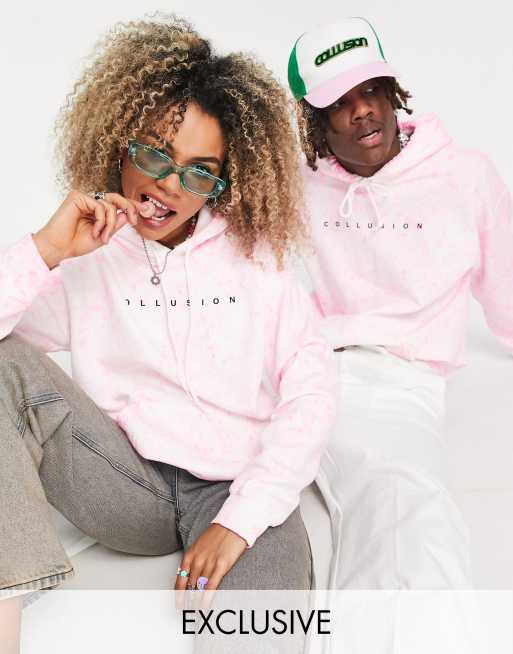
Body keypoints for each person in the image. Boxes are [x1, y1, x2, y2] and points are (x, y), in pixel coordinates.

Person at [0, 14, 337, 654]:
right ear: (118, 141)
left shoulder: (257, 260)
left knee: (258, 637)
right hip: (125, 484)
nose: (168, 185)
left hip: (235, 485)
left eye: (199, 171)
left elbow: (313, 391)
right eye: (155, 154)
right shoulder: (91, 256)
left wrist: (241, 520)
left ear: (225, 178)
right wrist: (47, 250)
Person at [287, 14, 511, 653]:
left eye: (371, 90)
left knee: (405, 503)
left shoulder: (464, 176)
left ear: (392, 92)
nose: (362, 111)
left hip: (403, 381)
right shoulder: (296, 189)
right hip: (315, 369)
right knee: (402, 502)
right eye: (340, 102)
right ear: (315, 119)